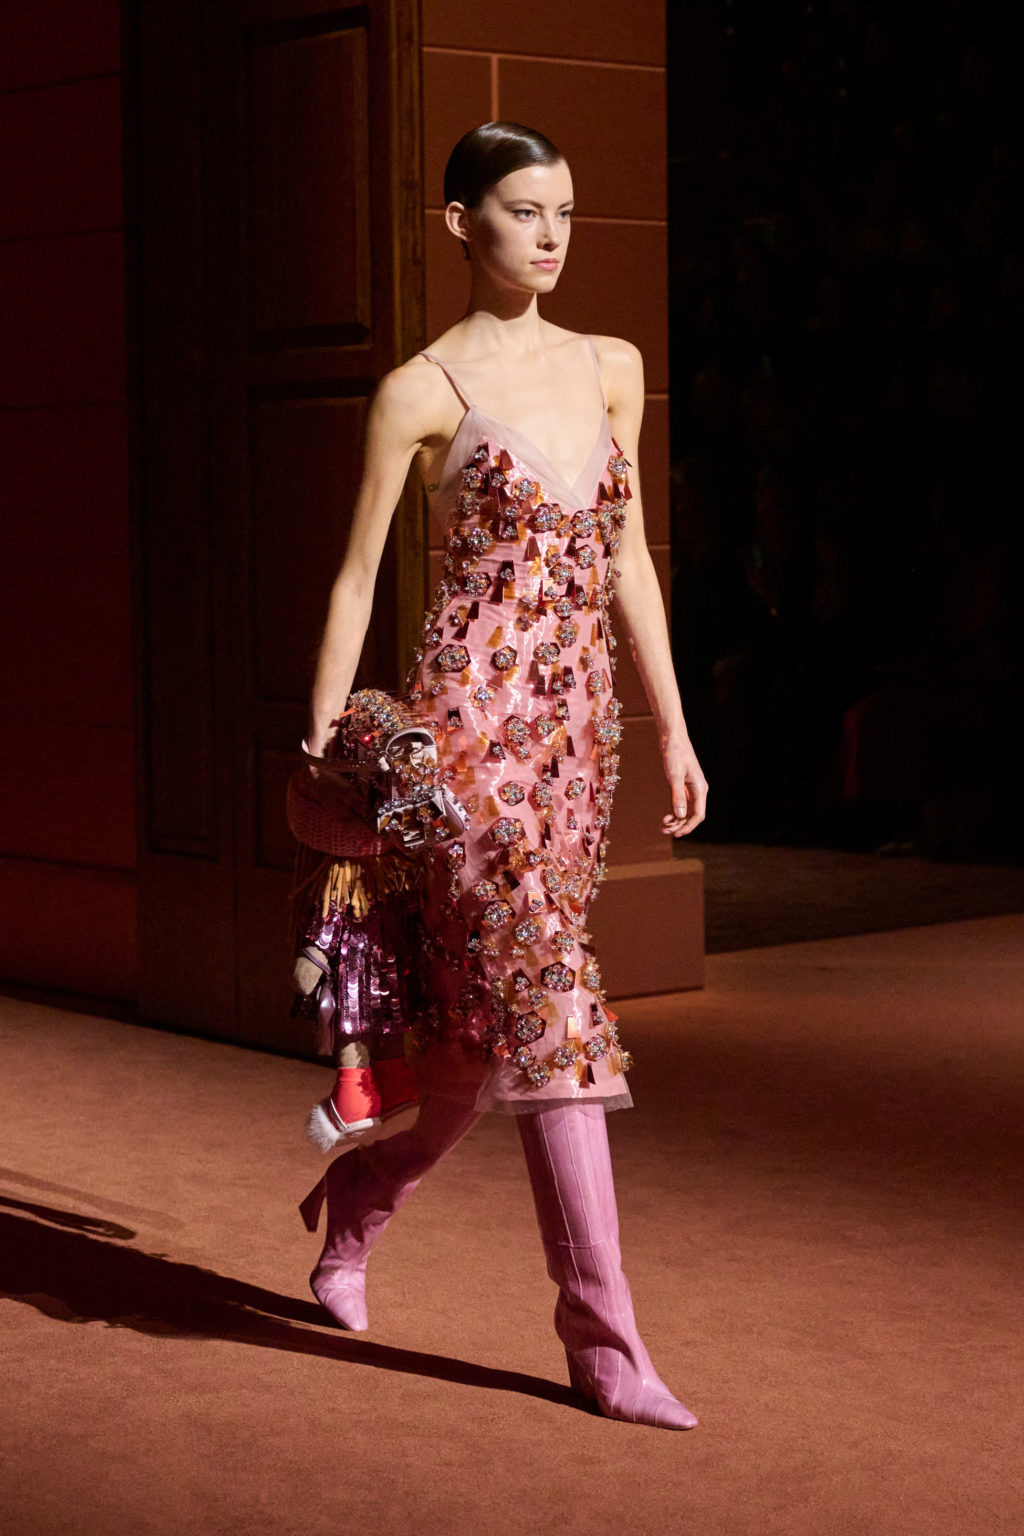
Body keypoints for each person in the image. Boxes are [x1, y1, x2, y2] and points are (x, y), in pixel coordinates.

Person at [298, 122, 708, 1431]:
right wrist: (326, 738)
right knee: (552, 1007)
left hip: (578, 746)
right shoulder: (418, 391)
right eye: (524, 211)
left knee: (483, 1044)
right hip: (467, 748)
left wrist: (673, 726)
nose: (550, 235)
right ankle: (604, 1341)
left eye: (565, 213)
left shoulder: (610, 367)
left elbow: (630, 562)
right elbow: (358, 576)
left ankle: (362, 1195)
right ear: (459, 223)